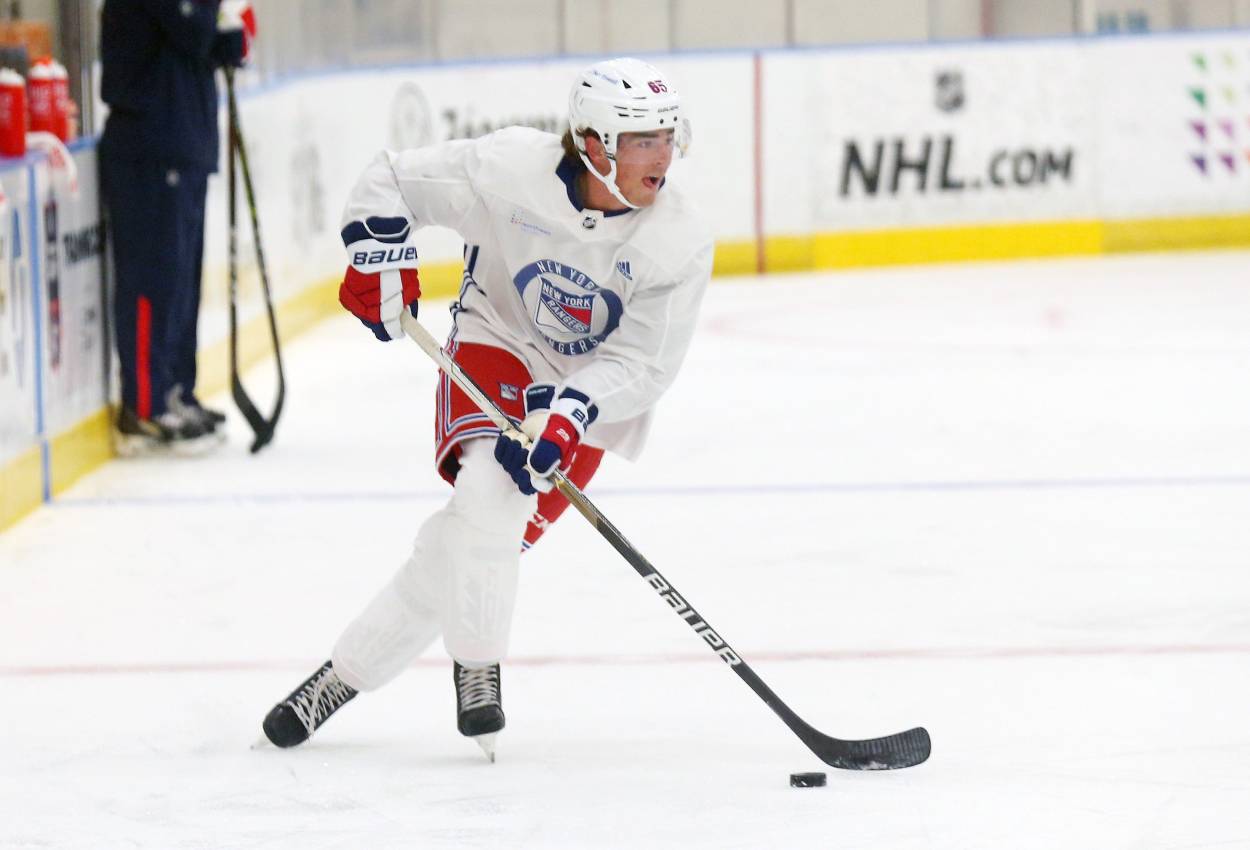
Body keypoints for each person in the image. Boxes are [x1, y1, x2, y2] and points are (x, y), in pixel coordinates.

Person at [260, 57, 713, 760]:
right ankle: (479, 672)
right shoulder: (510, 170)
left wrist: (569, 414)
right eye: (641, 140)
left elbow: (644, 364)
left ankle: (334, 682)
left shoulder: (677, 240)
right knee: (488, 491)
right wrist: (379, 259)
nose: (663, 156)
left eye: (667, 136)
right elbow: (394, 179)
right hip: (495, 337)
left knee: (474, 543)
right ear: (593, 144)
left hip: (588, 389)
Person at [99, 0, 255, 455]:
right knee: (154, 279)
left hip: (183, 142)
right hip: (151, 144)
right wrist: (218, 26)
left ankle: (176, 391)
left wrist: (231, 39)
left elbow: (209, 40)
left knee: (181, 284)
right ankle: (144, 406)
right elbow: (191, 28)